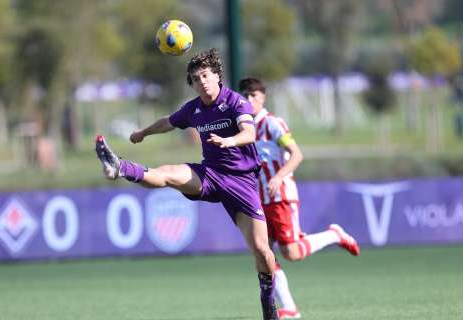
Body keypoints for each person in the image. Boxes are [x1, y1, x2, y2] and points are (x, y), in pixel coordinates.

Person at [96, 48, 279, 320]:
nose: (201, 81)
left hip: (242, 183)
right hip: (211, 175)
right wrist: (143, 133)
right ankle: (120, 166)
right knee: (168, 174)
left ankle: (268, 301)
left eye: (206, 75)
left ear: (217, 76)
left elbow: (249, 132)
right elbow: (168, 122)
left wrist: (229, 140)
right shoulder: (193, 108)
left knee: (262, 252)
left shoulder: (236, 102)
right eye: (195, 78)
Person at [239, 77, 361, 319]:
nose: (249, 100)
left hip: (280, 196)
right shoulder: (245, 128)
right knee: (263, 253)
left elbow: (296, 155)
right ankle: (290, 309)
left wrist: (277, 177)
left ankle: (333, 235)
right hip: (259, 199)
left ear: (263, 97)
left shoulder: (272, 123)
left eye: (254, 95)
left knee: (291, 253)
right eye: (245, 96)